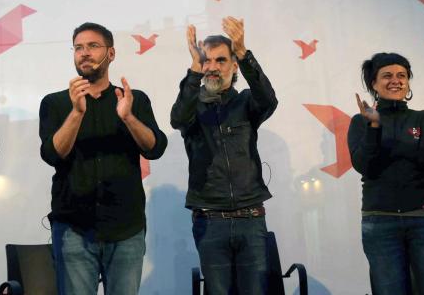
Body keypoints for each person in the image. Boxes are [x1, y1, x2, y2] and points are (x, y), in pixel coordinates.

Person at [38, 22, 167, 295]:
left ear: (111, 53)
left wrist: (128, 117)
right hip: (74, 228)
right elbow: (52, 154)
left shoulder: (134, 100)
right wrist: (76, 113)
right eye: (78, 48)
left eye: (93, 46)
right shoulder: (55, 103)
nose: (84, 53)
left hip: (126, 228)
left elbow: (155, 148)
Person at [170, 17, 278, 294]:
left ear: (233, 66)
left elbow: (268, 99)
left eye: (221, 60)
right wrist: (193, 70)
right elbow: (177, 118)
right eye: (206, 61)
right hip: (209, 220)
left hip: (251, 218)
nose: (213, 67)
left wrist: (243, 51)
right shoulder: (192, 107)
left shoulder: (245, 102)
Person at [347, 52, 424, 295]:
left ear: (408, 81)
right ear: (374, 84)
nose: (396, 80)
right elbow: (365, 166)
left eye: (402, 75)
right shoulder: (361, 121)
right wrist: (374, 126)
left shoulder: (422, 118)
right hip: (380, 222)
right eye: (387, 75)